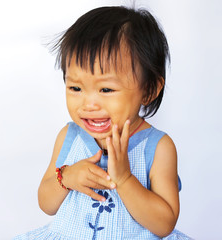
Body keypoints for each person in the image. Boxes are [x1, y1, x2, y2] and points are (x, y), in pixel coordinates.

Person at [15, 6, 191, 240]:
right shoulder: (70, 136)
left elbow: (164, 223)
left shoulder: (158, 147)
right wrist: (66, 178)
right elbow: (46, 203)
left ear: (149, 90)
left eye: (106, 89)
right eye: (75, 88)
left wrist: (126, 179)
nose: (89, 104)